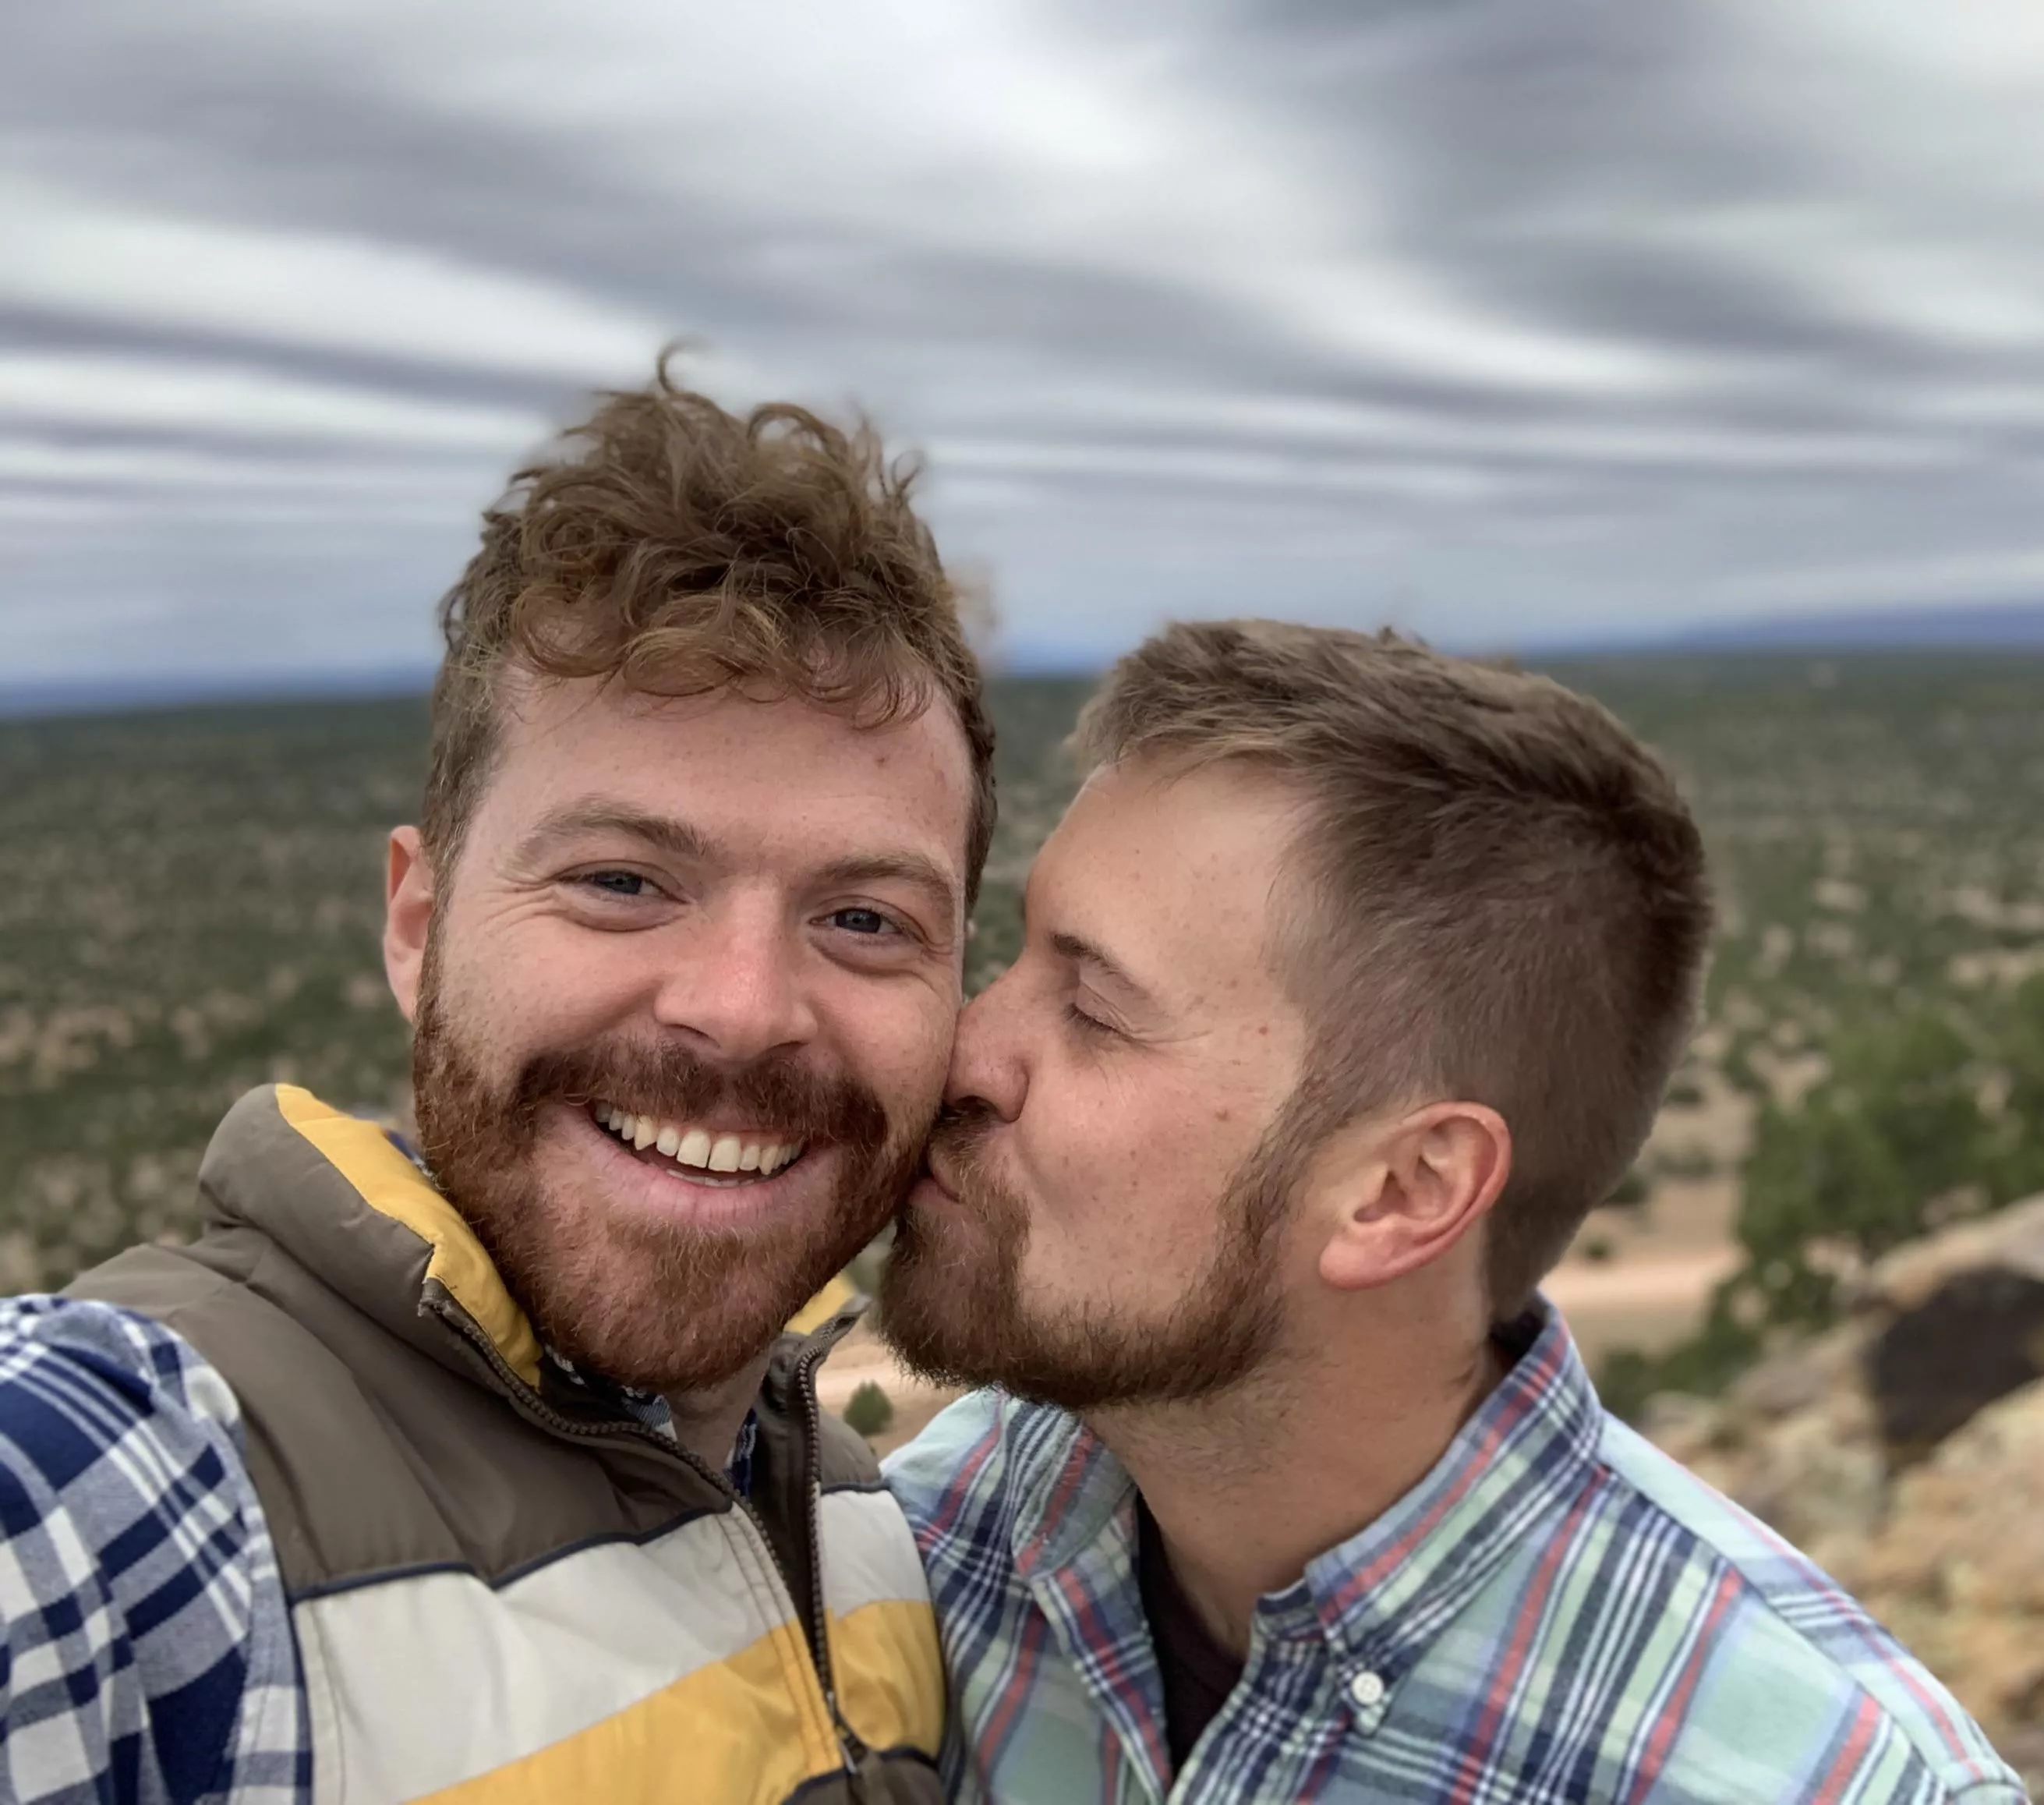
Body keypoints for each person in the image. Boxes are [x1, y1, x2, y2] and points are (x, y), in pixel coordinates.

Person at [0, 363, 995, 1803]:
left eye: (863, 919)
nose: (741, 1010)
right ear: (418, 925)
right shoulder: (134, 1491)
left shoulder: (870, 1539)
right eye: (621, 879)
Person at [880, 620, 2027, 1803]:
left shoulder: (1804, 1780)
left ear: (1403, 1191)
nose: (964, 1048)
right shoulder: (926, 1539)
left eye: (1093, 1009)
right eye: (1010, 957)